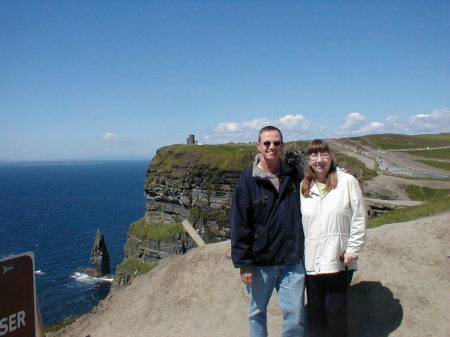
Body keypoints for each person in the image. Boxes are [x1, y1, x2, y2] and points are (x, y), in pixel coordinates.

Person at [231, 126, 306, 337]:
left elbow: (319, 179)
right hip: (261, 262)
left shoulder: (294, 175)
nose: (272, 147)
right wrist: (244, 264)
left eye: (276, 143)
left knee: (295, 315)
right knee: (256, 312)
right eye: (267, 143)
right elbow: (239, 225)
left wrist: (338, 173)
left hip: (292, 259)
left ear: (282, 146)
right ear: (258, 146)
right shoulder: (247, 182)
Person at [300, 139, 367, 337]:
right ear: (308, 159)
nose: (319, 160)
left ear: (331, 157)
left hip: (338, 258)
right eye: (314, 155)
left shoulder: (347, 182)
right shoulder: (304, 186)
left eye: (324, 155)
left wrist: (353, 249)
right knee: (315, 312)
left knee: (335, 310)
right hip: (311, 260)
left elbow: (359, 216)